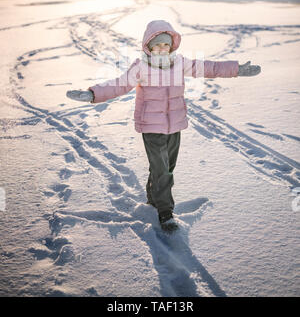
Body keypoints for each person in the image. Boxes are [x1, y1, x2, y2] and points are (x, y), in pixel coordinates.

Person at [66, 20, 261, 232]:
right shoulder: (141, 67)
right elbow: (119, 85)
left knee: (166, 168)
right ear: (148, 46)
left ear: (172, 46)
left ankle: (153, 199)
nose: (161, 49)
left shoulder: (180, 63)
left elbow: (209, 67)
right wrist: (92, 94)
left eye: (165, 45)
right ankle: (165, 213)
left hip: (174, 125)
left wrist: (236, 69)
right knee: (162, 171)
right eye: (157, 45)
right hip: (151, 127)